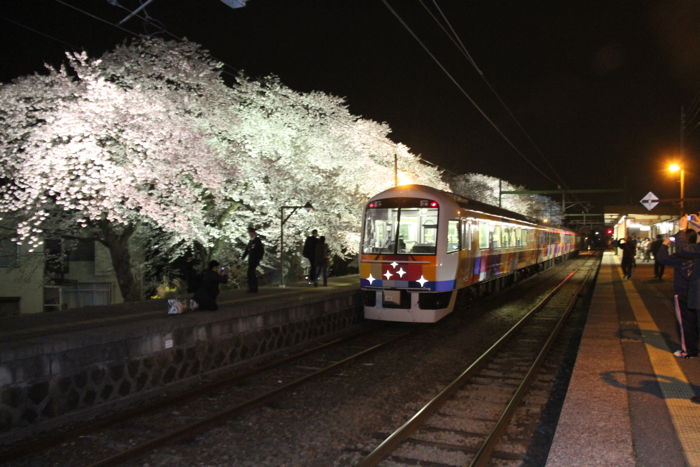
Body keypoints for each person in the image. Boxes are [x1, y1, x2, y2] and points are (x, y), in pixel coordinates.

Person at [657, 229, 699, 358]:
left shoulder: (679, 256)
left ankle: (689, 351)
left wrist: (665, 244)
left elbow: (661, 258)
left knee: (685, 324)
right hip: (697, 293)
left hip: (682, 293)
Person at [242, 227, 264, 292]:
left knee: (251, 273)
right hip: (251, 259)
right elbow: (247, 250)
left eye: (251, 233)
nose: (250, 235)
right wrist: (242, 258)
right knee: (250, 273)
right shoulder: (250, 241)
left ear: (254, 233)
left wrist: (259, 258)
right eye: (249, 234)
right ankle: (251, 287)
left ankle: (254, 288)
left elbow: (261, 251)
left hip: (255, 259)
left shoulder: (257, 240)